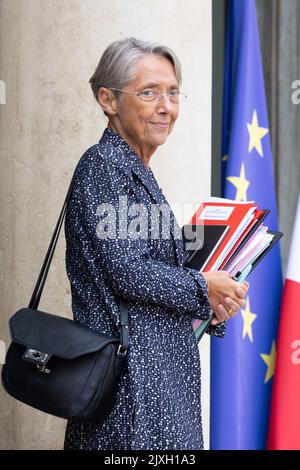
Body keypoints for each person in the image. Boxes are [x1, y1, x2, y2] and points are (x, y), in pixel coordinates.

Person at [63, 37, 249, 450]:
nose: (166, 106)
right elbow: (129, 271)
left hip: (157, 381)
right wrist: (204, 287)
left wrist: (211, 304)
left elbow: (149, 273)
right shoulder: (105, 166)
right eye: (149, 93)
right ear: (108, 100)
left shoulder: (133, 169)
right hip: (132, 391)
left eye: (173, 92)